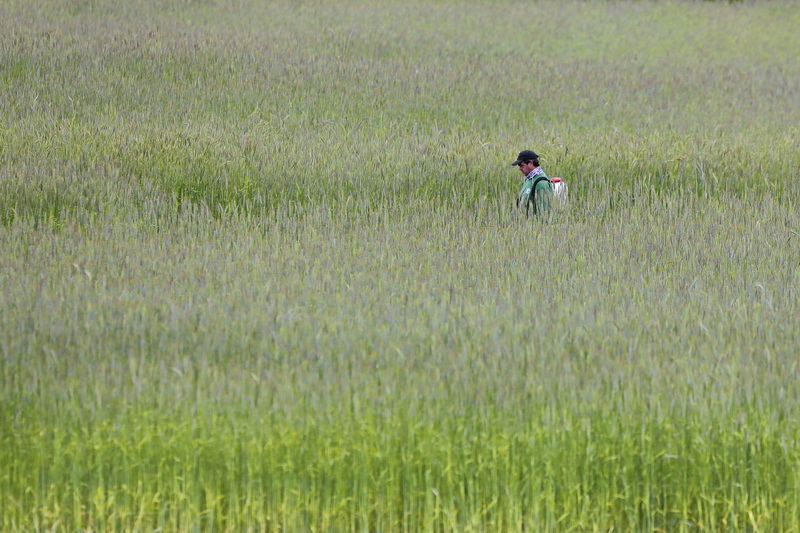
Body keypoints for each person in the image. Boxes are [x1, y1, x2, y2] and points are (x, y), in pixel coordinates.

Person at [512, 149, 553, 217]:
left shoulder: (541, 183)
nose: (519, 168)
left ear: (531, 163)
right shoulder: (528, 179)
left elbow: (545, 212)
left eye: (521, 165)